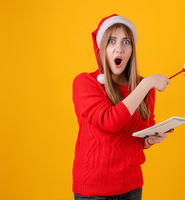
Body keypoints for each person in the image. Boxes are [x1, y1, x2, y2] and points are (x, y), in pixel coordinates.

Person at [72, 14, 174, 200]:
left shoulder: (145, 88)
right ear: (102, 48)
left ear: (132, 50)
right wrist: (146, 84)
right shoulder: (85, 83)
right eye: (111, 41)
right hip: (94, 192)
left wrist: (149, 140)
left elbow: (137, 136)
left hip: (131, 187)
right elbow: (110, 121)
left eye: (126, 42)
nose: (119, 49)